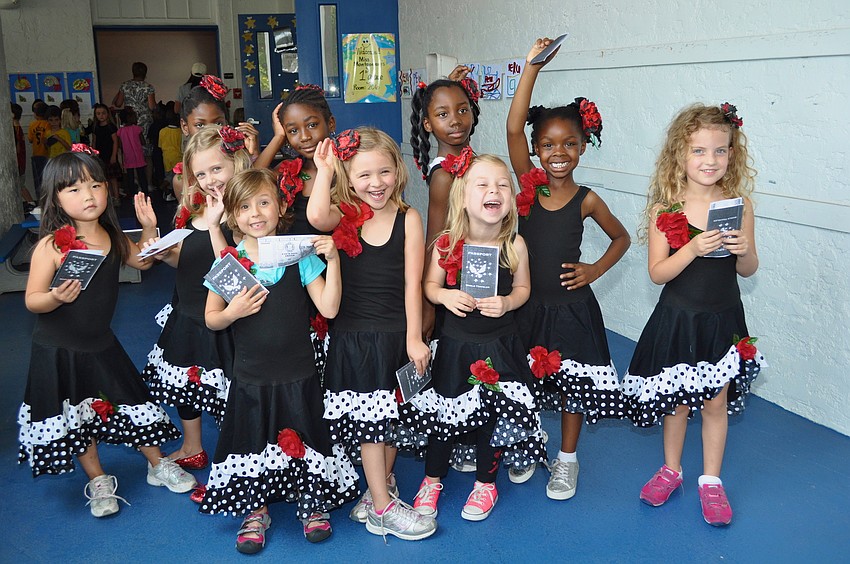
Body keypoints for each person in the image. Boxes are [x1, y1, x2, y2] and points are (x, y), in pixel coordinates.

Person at [17, 148, 197, 519]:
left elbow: (142, 262)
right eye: (74, 190)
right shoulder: (52, 245)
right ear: (56, 198)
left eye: (95, 185)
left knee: (130, 399)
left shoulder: (111, 236)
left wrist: (149, 228)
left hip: (101, 343)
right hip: (58, 349)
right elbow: (32, 300)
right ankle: (98, 478)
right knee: (77, 414)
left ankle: (156, 464)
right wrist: (53, 297)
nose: (88, 196)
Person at [201, 168, 358, 554]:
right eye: (244, 207)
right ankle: (256, 509)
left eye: (264, 202)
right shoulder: (232, 261)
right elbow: (211, 317)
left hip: (298, 372)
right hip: (252, 375)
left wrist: (333, 261)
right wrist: (233, 310)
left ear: (281, 205)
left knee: (303, 433)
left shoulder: (297, 255)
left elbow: (329, 307)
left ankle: (311, 501)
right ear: (233, 216)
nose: (255, 213)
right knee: (253, 439)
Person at [621, 102, 764, 527]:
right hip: (679, 319)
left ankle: (711, 481)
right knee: (677, 405)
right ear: (680, 156)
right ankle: (671, 470)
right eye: (699, 151)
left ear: (732, 154)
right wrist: (691, 249)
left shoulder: (740, 206)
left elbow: (749, 268)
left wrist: (743, 251)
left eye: (720, 151)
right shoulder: (666, 211)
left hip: (721, 321)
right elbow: (657, 273)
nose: (710, 160)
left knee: (714, 403)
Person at [505, 37, 631, 495]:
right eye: (548, 144)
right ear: (537, 150)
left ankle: (567, 459)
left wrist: (594, 271)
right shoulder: (528, 187)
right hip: (527, 305)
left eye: (569, 143)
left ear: (582, 146)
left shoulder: (587, 199)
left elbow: (622, 238)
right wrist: (532, 68)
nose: (558, 152)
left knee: (573, 387)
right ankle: (525, 443)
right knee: (520, 379)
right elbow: (514, 129)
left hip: (572, 309)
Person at [307, 130, 437, 541]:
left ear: (397, 172)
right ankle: (382, 507)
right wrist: (324, 171)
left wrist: (415, 338)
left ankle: (378, 487)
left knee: (392, 419)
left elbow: (411, 285)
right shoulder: (343, 213)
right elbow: (314, 217)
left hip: (396, 334)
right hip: (354, 336)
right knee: (370, 425)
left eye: (384, 172)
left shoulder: (409, 218)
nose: (376, 183)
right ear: (348, 176)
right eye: (364, 175)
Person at [404, 153, 541, 522]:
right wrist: (446, 295)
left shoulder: (515, 245)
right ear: (464, 196)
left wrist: (509, 301)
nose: (493, 190)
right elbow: (429, 287)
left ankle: (486, 483)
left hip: (500, 346)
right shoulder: (448, 243)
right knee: (444, 417)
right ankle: (432, 479)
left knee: (493, 418)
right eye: (482, 184)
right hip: (455, 347)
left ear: (510, 198)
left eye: (501, 185)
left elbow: (525, 288)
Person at [141, 125, 250, 482]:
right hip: (188, 311)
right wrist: (162, 251)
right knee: (185, 384)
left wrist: (217, 225)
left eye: (216, 169)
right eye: (200, 173)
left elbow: (235, 275)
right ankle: (192, 446)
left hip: (225, 318)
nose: (208, 180)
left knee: (226, 394)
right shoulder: (193, 209)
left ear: (236, 162)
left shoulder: (245, 211)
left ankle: (231, 462)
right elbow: (187, 259)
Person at [410, 67, 481, 341]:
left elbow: (456, 119)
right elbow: (435, 237)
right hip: (456, 277)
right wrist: (427, 305)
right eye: (442, 115)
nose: (455, 121)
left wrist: (450, 90)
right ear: (427, 124)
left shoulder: (467, 155)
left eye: (463, 111)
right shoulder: (443, 174)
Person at [173, 75, 259, 200]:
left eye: (218, 123)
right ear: (185, 126)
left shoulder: (238, 162)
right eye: (200, 125)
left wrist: (254, 154)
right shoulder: (181, 180)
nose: (211, 130)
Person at [112, 61, 156, 140]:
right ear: (145, 73)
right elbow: (152, 106)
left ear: (133, 72)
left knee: (130, 142)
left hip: (129, 119)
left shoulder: (125, 85)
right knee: (144, 143)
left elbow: (118, 104)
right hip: (144, 120)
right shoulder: (148, 87)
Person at [90, 103, 120, 200]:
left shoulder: (111, 127)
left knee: (113, 178)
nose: (101, 116)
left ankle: (117, 197)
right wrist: (93, 154)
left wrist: (114, 155)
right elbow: (94, 141)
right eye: (98, 114)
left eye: (103, 113)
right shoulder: (95, 127)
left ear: (107, 114)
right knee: (104, 178)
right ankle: (110, 197)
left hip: (109, 154)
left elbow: (115, 142)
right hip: (100, 155)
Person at [117, 107, 148, 194]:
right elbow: (143, 142)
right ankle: (145, 193)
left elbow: (120, 146)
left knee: (130, 177)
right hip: (139, 156)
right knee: (142, 176)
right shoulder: (137, 129)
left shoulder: (120, 131)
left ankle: (132, 195)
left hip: (128, 157)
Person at [11, 103, 36, 209]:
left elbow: (17, 149)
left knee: (20, 185)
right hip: (19, 161)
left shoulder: (15, 129)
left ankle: (31, 204)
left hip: (18, 162)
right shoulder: (16, 127)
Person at [28, 101, 50, 196]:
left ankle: (40, 200)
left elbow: (30, 139)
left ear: (35, 114)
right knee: (48, 178)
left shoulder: (32, 125)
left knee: (38, 180)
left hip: (36, 154)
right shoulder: (48, 124)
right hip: (47, 154)